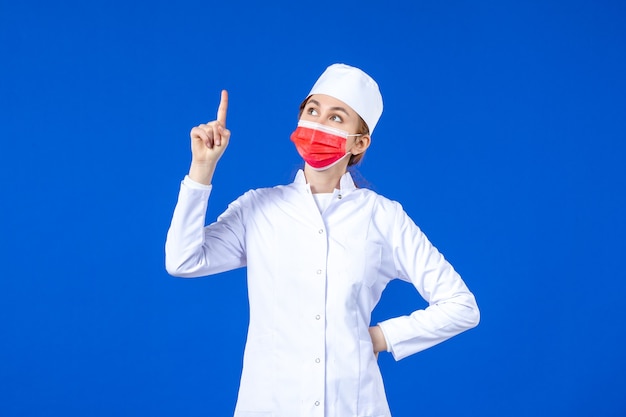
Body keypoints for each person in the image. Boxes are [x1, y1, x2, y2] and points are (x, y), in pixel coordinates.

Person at [165, 63, 480, 417]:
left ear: (359, 142)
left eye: (335, 118)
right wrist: (202, 170)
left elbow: (461, 306)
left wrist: (381, 337)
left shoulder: (382, 217)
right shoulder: (259, 207)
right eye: (312, 111)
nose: (318, 123)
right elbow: (183, 260)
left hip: (354, 405)